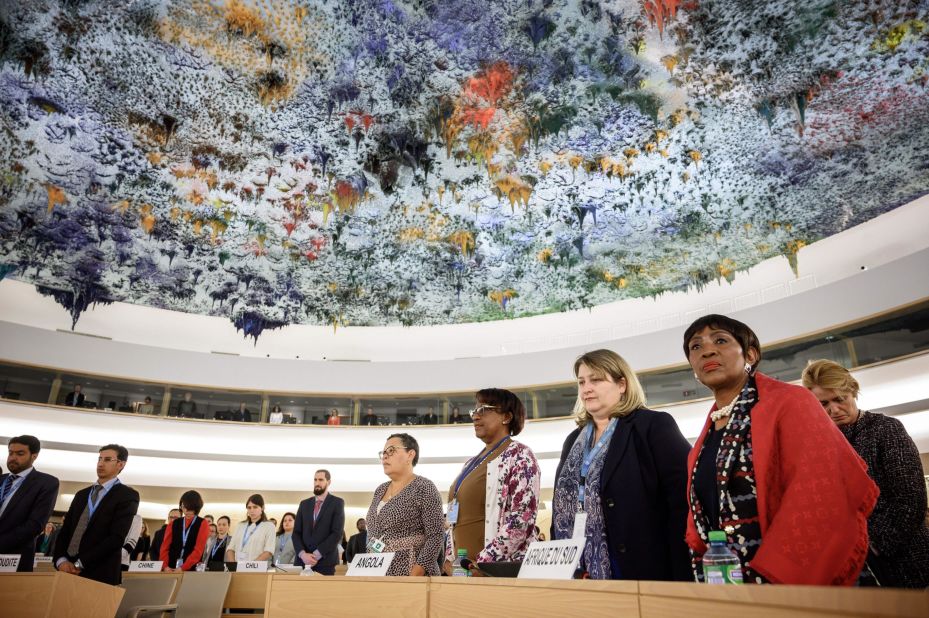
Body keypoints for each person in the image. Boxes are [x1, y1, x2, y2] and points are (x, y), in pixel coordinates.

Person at [683, 315, 878, 585]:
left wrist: (779, 572)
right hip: (731, 580)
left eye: (720, 340)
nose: (707, 350)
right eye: (695, 347)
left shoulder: (792, 402)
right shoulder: (707, 434)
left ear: (750, 354)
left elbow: (822, 491)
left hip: (795, 583)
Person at [551, 351, 691, 581]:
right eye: (582, 382)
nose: (586, 388)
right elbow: (559, 507)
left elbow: (682, 500)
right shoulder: (572, 440)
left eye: (596, 380)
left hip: (640, 569)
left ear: (622, 384)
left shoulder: (653, 426)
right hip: (575, 572)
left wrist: (681, 571)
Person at [802, 359, 929, 588]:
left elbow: (911, 501)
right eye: (823, 404)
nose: (834, 409)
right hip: (849, 567)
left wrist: (872, 546)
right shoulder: (816, 445)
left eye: (840, 399)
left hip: (903, 563)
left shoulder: (885, 429)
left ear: (853, 392)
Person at [446, 389, 540, 567]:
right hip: (462, 570)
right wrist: (450, 560)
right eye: (475, 411)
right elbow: (452, 521)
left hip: (498, 571)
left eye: (484, 409)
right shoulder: (470, 463)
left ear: (506, 417)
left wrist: (483, 563)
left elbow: (522, 519)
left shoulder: (520, 455)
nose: (475, 416)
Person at [54, 444, 140, 585]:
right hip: (66, 571)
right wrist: (61, 560)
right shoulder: (82, 495)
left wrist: (80, 563)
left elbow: (116, 538)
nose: (100, 464)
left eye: (107, 460)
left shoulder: (127, 495)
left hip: (100, 573)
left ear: (120, 464)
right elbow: (66, 531)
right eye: (99, 459)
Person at [365, 433, 444, 576]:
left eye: (391, 451)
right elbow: (373, 535)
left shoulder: (424, 487)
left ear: (410, 454)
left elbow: (435, 535)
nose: (385, 456)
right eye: (383, 453)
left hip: (412, 572)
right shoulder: (380, 490)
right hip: (379, 572)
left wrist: (416, 573)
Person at [0, 435, 60, 571]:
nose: (13, 457)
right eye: (10, 453)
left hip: (13, 558)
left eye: (20, 453)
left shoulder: (46, 483)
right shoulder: (1, 480)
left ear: (34, 456)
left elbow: (35, 525)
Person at [293, 470, 345, 574]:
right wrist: (303, 555)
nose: (317, 483)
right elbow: (296, 533)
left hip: (325, 562)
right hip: (303, 562)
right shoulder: (304, 504)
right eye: (315, 480)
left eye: (321, 480)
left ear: (328, 482)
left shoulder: (337, 503)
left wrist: (316, 555)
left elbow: (337, 533)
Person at [160, 490, 211, 572]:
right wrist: (165, 566)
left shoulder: (203, 523)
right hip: (170, 568)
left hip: (190, 569)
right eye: (183, 507)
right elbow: (164, 548)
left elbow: (198, 550)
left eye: (190, 508)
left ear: (196, 508)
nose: (186, 511)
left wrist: (182, 568)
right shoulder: (173, 523)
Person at [226, 495, 275, 562]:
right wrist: (233, 565)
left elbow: (268, 551)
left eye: (255, 507)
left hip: (256, 569)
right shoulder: (240, 525)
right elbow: (230, 548)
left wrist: (250, 566)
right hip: (237, 568)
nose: (252, 510)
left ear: (262, 508)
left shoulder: (269, 526)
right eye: (249, 508)